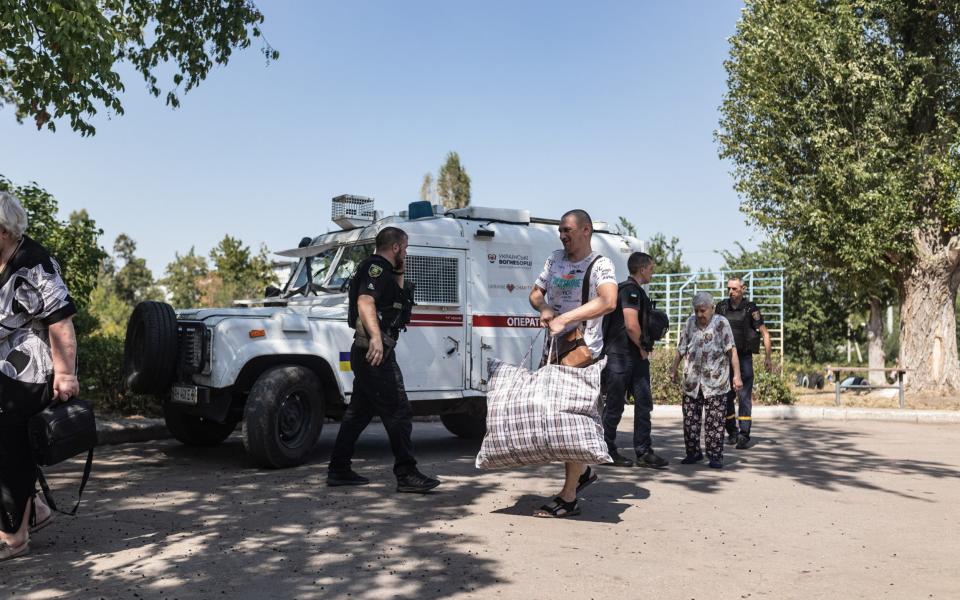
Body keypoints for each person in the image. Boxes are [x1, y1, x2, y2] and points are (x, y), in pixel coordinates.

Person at [327, 227, 440, 493]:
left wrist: (400, 270)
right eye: (406, 248)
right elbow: (365, 301)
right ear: (397, 247)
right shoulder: (375, 268)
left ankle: (339, 469)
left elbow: (397, 300)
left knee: (358, 414)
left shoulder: (387, 271)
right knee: (399, 411)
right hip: (374, 353)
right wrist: (376, 338)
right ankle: (406, 474)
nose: (407, 252)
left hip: (370, 353)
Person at [0, 190, 79, 561]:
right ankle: (35, 512)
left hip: (29, 372)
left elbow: (61, 322)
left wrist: (65, 374)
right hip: (4, 370)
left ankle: (13, 537)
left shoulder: (33, 265)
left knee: (8, 447)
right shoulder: (2, 258)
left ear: (2, 231)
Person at [529, 209, 617, 517]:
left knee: (572, 422)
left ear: (586, 231)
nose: (563, 236)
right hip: (553, 351)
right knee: (554, 419)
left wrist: (566, 317)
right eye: (561, 231)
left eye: (568, 230)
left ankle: (568, 497)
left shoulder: (600, 265)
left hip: (582, 355)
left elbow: (608, 301)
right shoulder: (555, 259)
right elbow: (535, 293)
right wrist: (544, 308)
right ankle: (583, 473)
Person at [600, 251, 668, 469]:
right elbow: (631, 324)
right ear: (642, 269)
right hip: (622, 357)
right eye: (651, 268)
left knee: (643, 404)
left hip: (632, 357)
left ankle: (644, 451)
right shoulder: (630, 291)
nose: (652, 273)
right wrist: (643, 348)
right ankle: (606, 450)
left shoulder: (634, 291)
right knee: (615, 405)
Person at [669, 292, 742, 469]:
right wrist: (674, 368)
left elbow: (731, 350)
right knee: (690, 421)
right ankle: (693, 453)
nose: (700, 314)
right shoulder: (689, 323)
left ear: (712, 308)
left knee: (715, 423)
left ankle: (715, 456)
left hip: (716, 383)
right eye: (697, 311)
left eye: (703, 310)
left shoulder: (721, 323)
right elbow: (681, 347)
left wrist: (737, 376)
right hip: (692, 382)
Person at [715, 277, 773, 449]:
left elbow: (765, 333)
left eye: (734, 288)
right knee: (725, 397)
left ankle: (744, 435)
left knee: (744, 397)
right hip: (724, 359)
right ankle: (732, 432)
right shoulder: (721, 307)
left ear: (743, 289)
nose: (731, 292)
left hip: (744, 358)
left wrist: (768, 358)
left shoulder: (750, 308)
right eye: (729, 289)